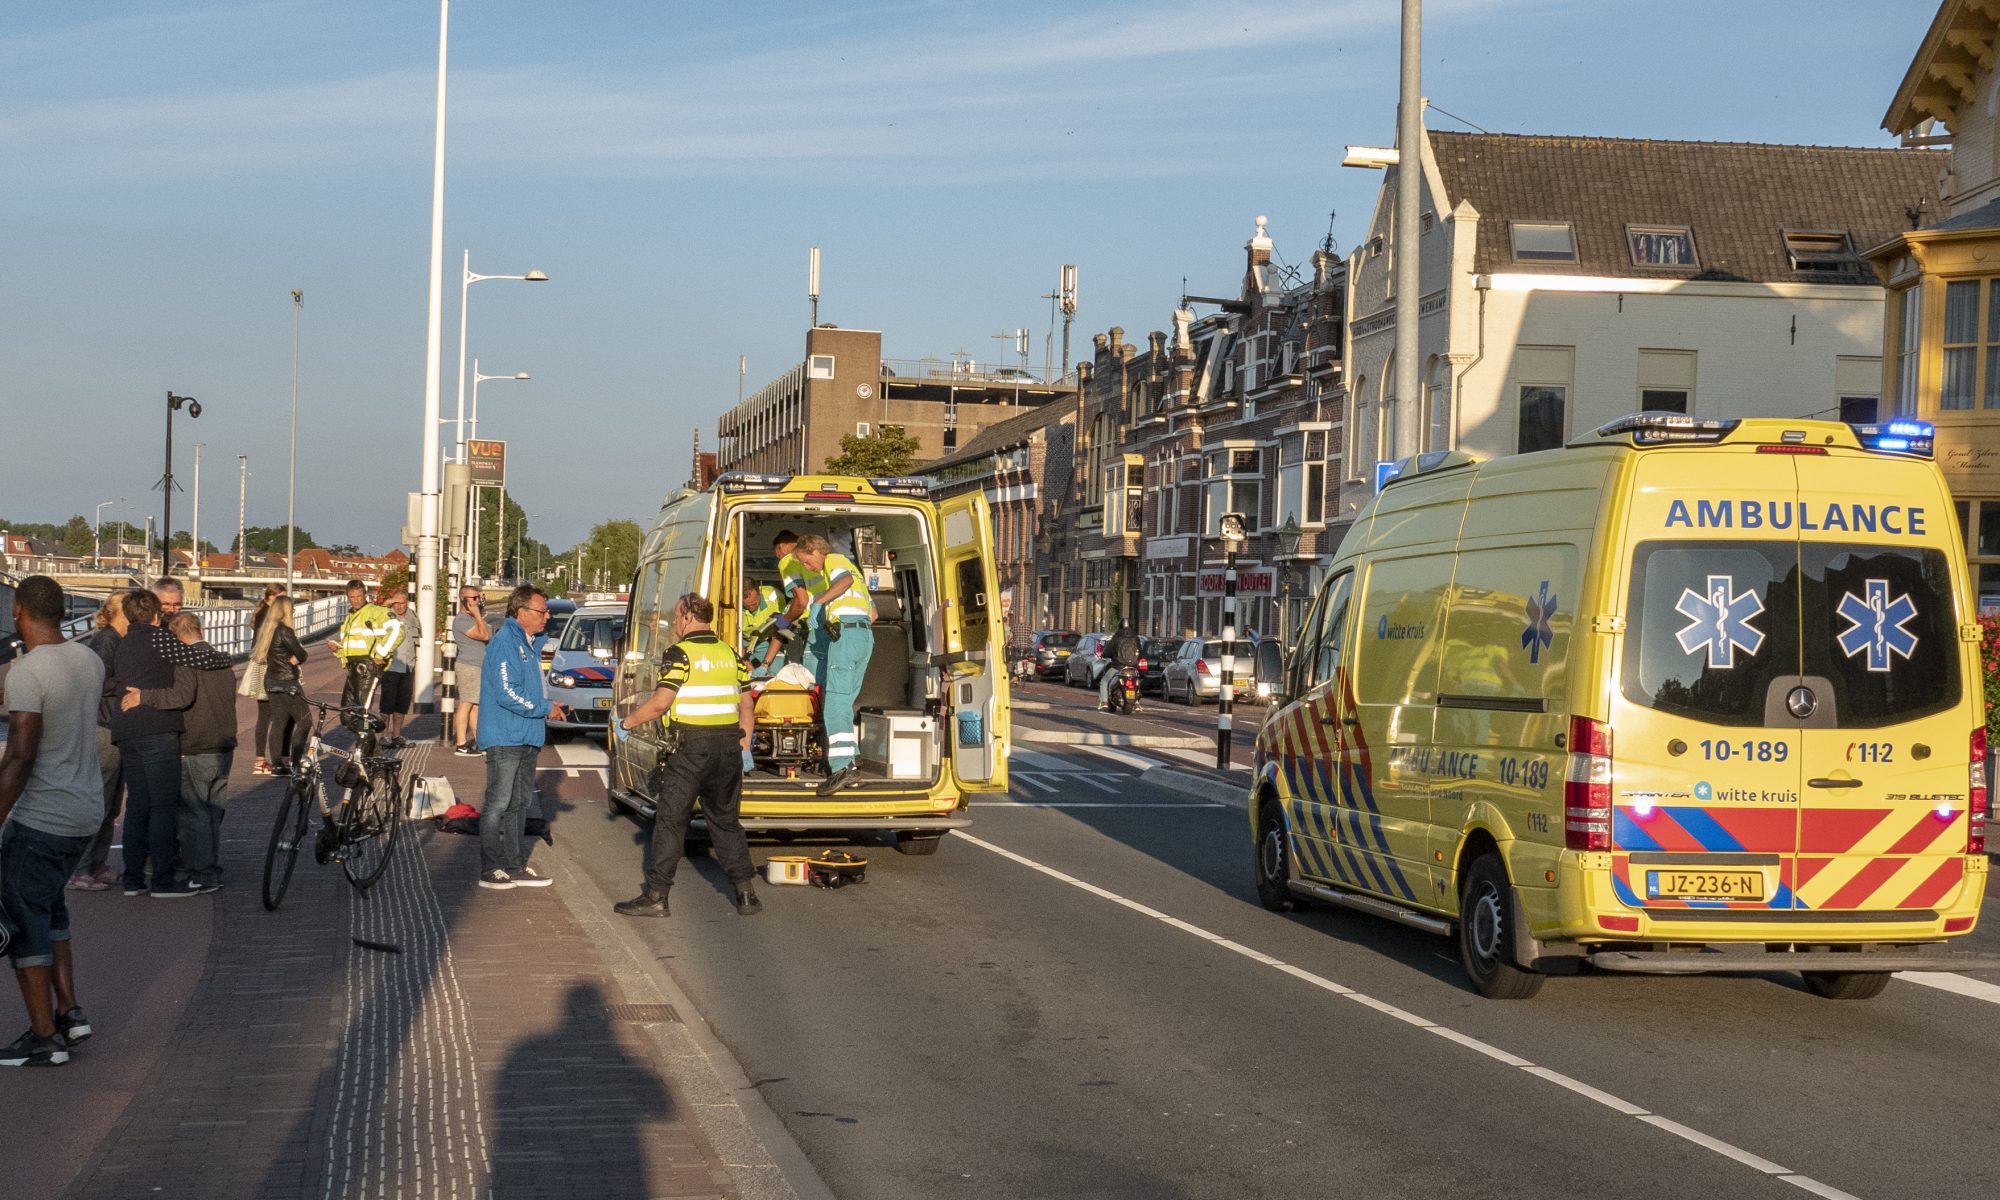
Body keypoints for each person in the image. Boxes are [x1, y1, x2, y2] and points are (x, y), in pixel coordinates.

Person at [0, 577, 105, 1066]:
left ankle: (44, 1036)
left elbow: (20, 756)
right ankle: (70, 1013)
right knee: (52, 912)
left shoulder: (27, 671)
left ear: (18, 611)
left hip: (44, 815)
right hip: (85, 811)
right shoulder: (89, 660)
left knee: (25, 922)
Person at [614, 593, 760, 919]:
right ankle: (746, 893)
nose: (675, 623)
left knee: (670, 821)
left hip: (691, 749)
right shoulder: (731, 654)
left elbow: (660, 703)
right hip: (728, 750)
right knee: (725, 821)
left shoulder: (680, 654)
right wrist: (745, 745)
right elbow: (747, 706)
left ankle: (656, 896)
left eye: (677, 615)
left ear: (689, 616)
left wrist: (626, 722)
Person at [122, 612, 235, 893]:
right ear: (201, 629)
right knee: (212, 812)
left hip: (195, 745)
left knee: (192, 812)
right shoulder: (221, 661)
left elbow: (181, 697)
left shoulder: (185, 660)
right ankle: (211, 868)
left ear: (175, 636)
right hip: (223, 744)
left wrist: (144, 697)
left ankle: (203, 873)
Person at [109, 589, 202, 898]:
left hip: (126, 729)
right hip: (157, 729)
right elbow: (189, 679)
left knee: (137, 805)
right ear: (155, 613)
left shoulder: (121, 644)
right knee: (163, 806)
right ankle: (162, 880)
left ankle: (133, 880)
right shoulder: (163, 641)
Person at [476, 585, 568, 890]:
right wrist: (545, 708)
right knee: (498, 803)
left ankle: (515, 865)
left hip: (526, 735)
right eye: (542, 612)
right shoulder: (505, 642)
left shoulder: (529, 643)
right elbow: (507, 693)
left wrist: (547, 708)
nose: (547, 617)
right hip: (505, 735)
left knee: (519, 803)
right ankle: (491, 868)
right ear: (521, 612)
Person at [790, 533, 877, 793]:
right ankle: (852, 759)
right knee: (845, 703)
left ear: (817, 551)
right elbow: (874, 613)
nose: (808, 567)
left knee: (834, 704)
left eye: (807, 561)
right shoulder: (858, 575)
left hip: (847, 636)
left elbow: (844, 581)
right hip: (864, 636)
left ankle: (842, 768)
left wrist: (820, 603)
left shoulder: (835, 560)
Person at [67, 593, 128, 891]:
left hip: (114, 725)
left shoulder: (117, 638)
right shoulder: (106, 640)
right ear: (118, 612)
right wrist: (132, 681)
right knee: (99, 801)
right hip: (103, 726)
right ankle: (80, 869)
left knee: (112, 804)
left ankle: (97, 863)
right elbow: (99, 682)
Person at [334, 579, 401, 731]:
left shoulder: (377, 612)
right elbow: (356, 644)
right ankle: (368, 745)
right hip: (353, 667)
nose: (356, 600)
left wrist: (382, 654)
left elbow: (397, 630)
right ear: (347, 597)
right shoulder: (351, 616)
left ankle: (365, 750)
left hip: (368, 666)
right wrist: (338, 649)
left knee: (361, 712)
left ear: (365, 594)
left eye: (359, 596)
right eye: (352, 597)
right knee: (347, 715)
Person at [255, 596, 310, 775]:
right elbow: (301, 653)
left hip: (271, 680)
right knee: (305, 720)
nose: (293, 611)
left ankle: (277, 765)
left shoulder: (267, 630)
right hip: (287, 682)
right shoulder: (285, 631)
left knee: (278, 721)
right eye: (291, 608)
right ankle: (295, 762)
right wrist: (297, 658)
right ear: (286, 611)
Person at [247, 584, 285, 775]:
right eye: (283, 598)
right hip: (270, 668)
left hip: (261, 666)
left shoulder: (262, 612)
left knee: (265, 714)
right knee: (275, 714)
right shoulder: (270, 615)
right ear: (274, 597)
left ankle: (261, 761)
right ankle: (275, 760)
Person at [451, 586, 491, 756]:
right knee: (466, 703)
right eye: (473, 598)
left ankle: (480, 742)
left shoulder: (471, 619)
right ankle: (461, 743)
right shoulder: (461, 621)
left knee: (475, 705)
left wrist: (477, 615)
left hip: (478, 666)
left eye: (478, 597)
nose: (477, 601)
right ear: (463, 600)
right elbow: (485, 636)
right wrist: (476, 614)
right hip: (469, 666)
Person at [376, 589, 416, 742]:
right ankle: (384, 736)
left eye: (402, 603)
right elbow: (376, 618)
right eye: (396, 603)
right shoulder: (386, 616)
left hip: (408, 665)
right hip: (391, 666)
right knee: (387, 702)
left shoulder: (412, 617)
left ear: (407, 603)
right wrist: (387, 604)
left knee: (402, 703)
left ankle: (397, 735)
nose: (399, 607)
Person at [741, 579, 784, 679]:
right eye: (747, 606)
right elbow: (733, 636)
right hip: (741, 640)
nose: (751, 608)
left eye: (754, 603)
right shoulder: (733, 602)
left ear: (759, 592)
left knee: (775, 676)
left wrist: (765, 665)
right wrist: (749, 667)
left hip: (767, 639)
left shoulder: (775, 597)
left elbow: (779, 633)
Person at [1099, 621, 1141, 711]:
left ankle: (1104, 702)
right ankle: (1137, 703)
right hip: (1132, 667)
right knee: (1136, 682)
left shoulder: (1117, 637)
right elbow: (1140, 652)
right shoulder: (1136, 637)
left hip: (1118, 666)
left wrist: (1105, 654)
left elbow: (1108, 650)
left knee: (1104, 681)